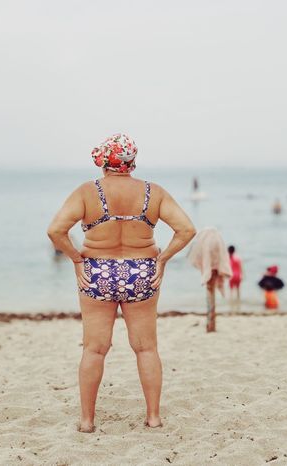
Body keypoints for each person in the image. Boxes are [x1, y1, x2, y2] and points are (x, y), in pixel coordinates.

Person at [47, 133, 196, 433]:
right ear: (132, 162)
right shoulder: (154, 193)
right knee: (146, 348)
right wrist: (163, 258)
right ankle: (153, 417)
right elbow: (186, 230)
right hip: (142, 271)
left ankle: (87, 421)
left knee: (94, 349)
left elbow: (55, 231)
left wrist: (76, 259)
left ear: (104, 163)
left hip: (97, 271)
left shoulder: (88, 192)